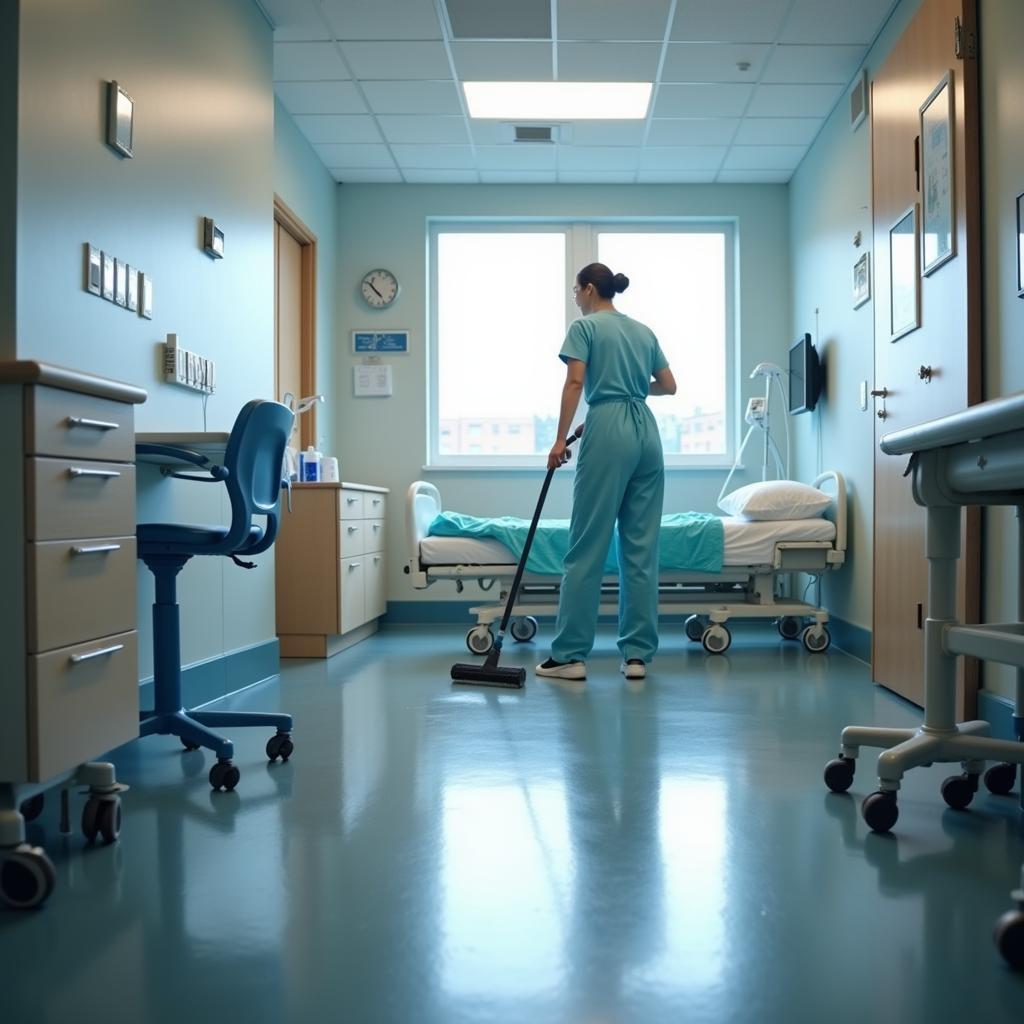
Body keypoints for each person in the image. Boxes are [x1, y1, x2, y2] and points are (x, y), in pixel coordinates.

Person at [536, 263, 677, 682]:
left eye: (575, 291)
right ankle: (636, 657)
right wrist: (630, 388)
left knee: (587, 545)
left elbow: (575, 383)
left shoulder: (586, 328)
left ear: (590, 289)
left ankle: (569, 657)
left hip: (608, 428)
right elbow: (668, 386)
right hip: (646, 432)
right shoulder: (642, 331)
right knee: (640, 548)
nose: (575, 299)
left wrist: (560, 440)